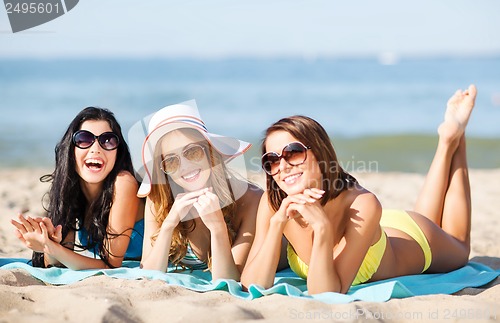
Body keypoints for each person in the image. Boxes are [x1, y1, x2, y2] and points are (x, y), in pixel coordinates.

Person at [241, 85, 477, 294]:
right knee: (428, 217)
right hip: (378, 227)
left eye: (293, 152)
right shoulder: (274, 203)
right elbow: (252, 284)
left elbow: (326, 293)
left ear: (320, 152)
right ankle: (449, 141)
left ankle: (453, 138)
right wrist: (276, 225)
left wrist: (322, 227)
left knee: (460, 246)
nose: (283, 166)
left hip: (417, 238)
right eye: (271, 160)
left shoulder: (361, 203)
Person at [137, 100, 263, 281]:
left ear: (210, 152)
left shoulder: (249, 198)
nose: (185, 166)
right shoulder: (159, 199)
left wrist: (218, 227)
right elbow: (148, 274)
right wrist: (169, 225)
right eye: (171, 161)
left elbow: (229, 279)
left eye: (192, 152)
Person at [11, 107, 144, 269]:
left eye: (108, 140)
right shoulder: (70, 188)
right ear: (71, 149)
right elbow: (59, 262)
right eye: (84, 139)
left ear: (117, 151)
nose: (96, 148)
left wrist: (53, 248)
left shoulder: (123, 183)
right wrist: (46, 244)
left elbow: (111, 264)